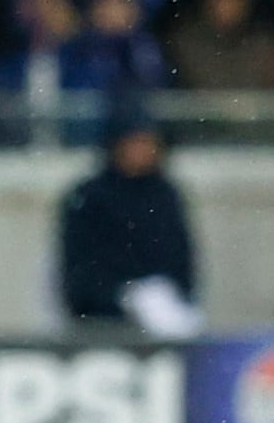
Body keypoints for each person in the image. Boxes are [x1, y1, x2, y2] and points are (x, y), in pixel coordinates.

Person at [56, 111, 201, 336]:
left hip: (164, 310)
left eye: (148, 143)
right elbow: (79, 264)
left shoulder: (165, 195)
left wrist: (164, 293)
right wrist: (121, 296)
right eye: (134, 143)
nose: (141, 152)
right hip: (102, 317)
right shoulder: (89, 196)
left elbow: (180, 255)